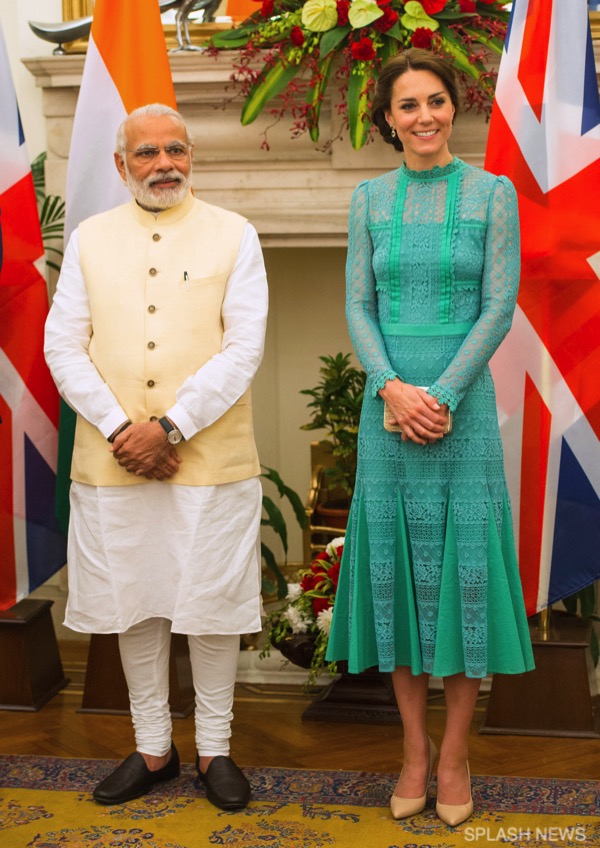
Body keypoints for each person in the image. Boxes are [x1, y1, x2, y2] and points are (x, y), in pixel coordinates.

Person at [325, 50, 534, 827]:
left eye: (436, 101)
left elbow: (499, 305)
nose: (424, 116)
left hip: (461, 412)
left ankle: (454, 756)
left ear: (455, 108)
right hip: (388, 410)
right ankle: (412, 750)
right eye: (407, 105)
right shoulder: (368, 199)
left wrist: (441, 394)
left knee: (462, 579)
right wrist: (391, 390)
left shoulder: (493, 194)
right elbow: (358, 305)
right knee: (399, 586)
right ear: (386, 119)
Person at [44, 103, 268, 811]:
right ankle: (152, 747)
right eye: (147, 153)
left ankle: (215, 749)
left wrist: (169, 428)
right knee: (136, 604)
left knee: (211, 605)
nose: (164, 163)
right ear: (121, 165)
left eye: (176, 149)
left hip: (210, 457)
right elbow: (62, 345)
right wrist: (122, 429)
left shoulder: (235, 234)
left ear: (191, 156)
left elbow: (244, 348)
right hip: (114, 460)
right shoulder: (88, 239)